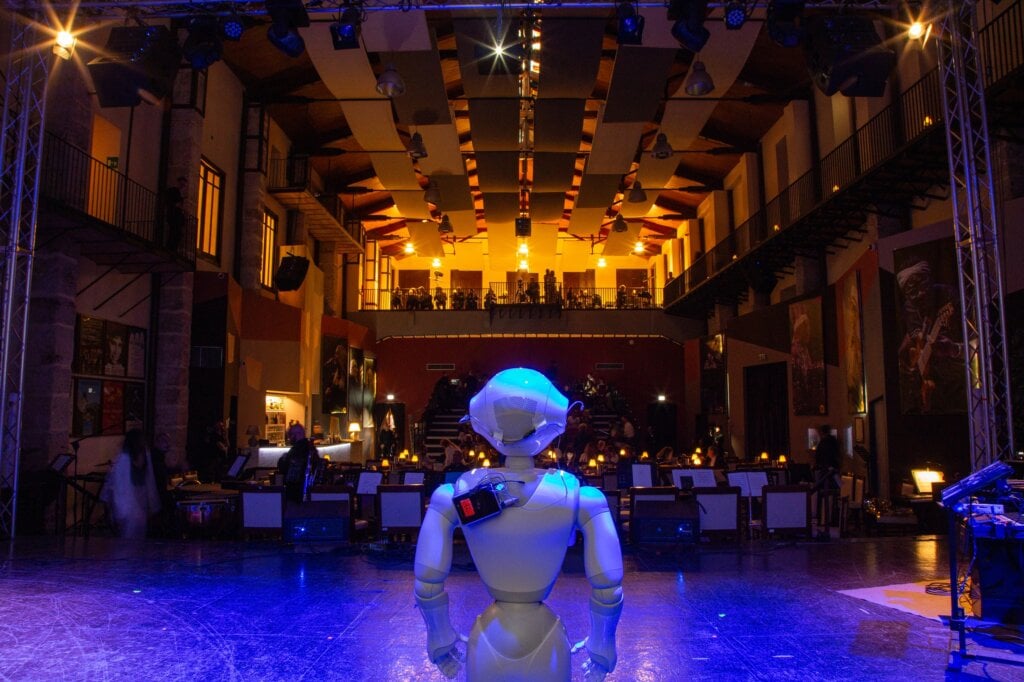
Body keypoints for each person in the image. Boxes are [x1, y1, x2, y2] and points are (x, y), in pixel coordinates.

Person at [414, 369, 622, 681]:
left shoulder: (455, 493)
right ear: (555, 416)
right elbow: (608, 587)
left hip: (486, 640)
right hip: (549, 645)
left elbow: (428, 583)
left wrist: (440, 639)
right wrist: (602, 646)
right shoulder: (580, 495)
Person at [100, 428, 161, 539]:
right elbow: (114, 486)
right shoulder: (123, 460)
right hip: (128, 510)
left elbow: (111, 484)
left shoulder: (138, 457)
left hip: (132, 510)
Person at [277, 423, 322, 503]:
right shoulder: (310, 448)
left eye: (292, 434)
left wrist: (283, 459)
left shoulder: (296, 450)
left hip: (295, 493)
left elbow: (284, 468)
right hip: (308, 492)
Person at [813, 424, 841, 534]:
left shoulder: (824, 443)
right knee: (832, 495)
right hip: (833, 470)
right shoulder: (833, 441)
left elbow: (819, 457)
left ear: (822, 432)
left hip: (826, 471)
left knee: (824, 493)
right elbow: (837, 455)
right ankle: (831, 518)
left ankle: (824, 518)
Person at [163, 176, 187, 252]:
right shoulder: (173, 191)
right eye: (182, 184)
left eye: (184, 185)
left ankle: (172, 248)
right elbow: (168, 201)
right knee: (174, 232)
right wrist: (175, 205)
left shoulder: (179, 193)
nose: (182, 187)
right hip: (174, 215)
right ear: (178, 183)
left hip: (176, 216)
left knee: (176, 233)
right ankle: (171, 248)